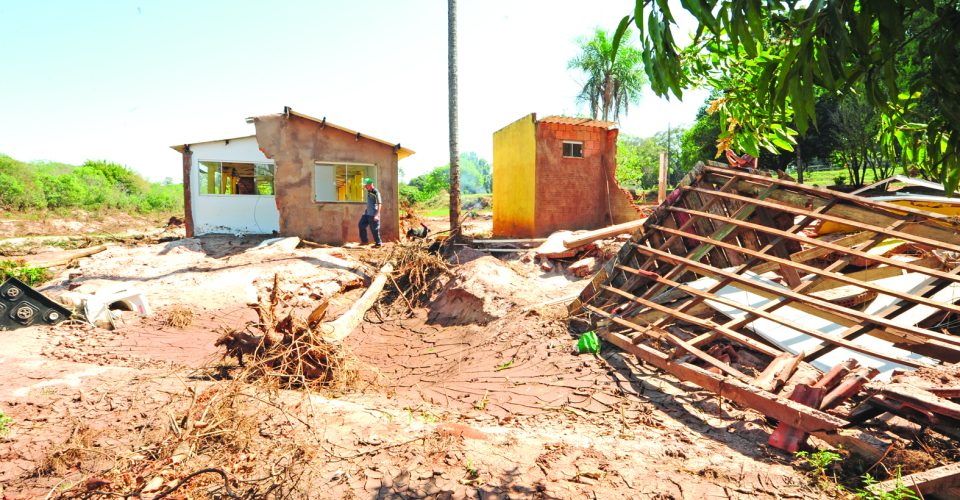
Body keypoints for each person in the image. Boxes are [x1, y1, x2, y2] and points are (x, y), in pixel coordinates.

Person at [358, 177, 382, 248]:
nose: (365, 187)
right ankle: (365, 241)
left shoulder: (376, 192)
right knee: (361, 225)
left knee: (374, 229)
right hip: (367, 213)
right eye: (365, 185)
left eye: (366, 185)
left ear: (370, 184)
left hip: (373, 214)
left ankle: (378, 243)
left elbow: (380, 204)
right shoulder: (369, 191)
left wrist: (377, 215)